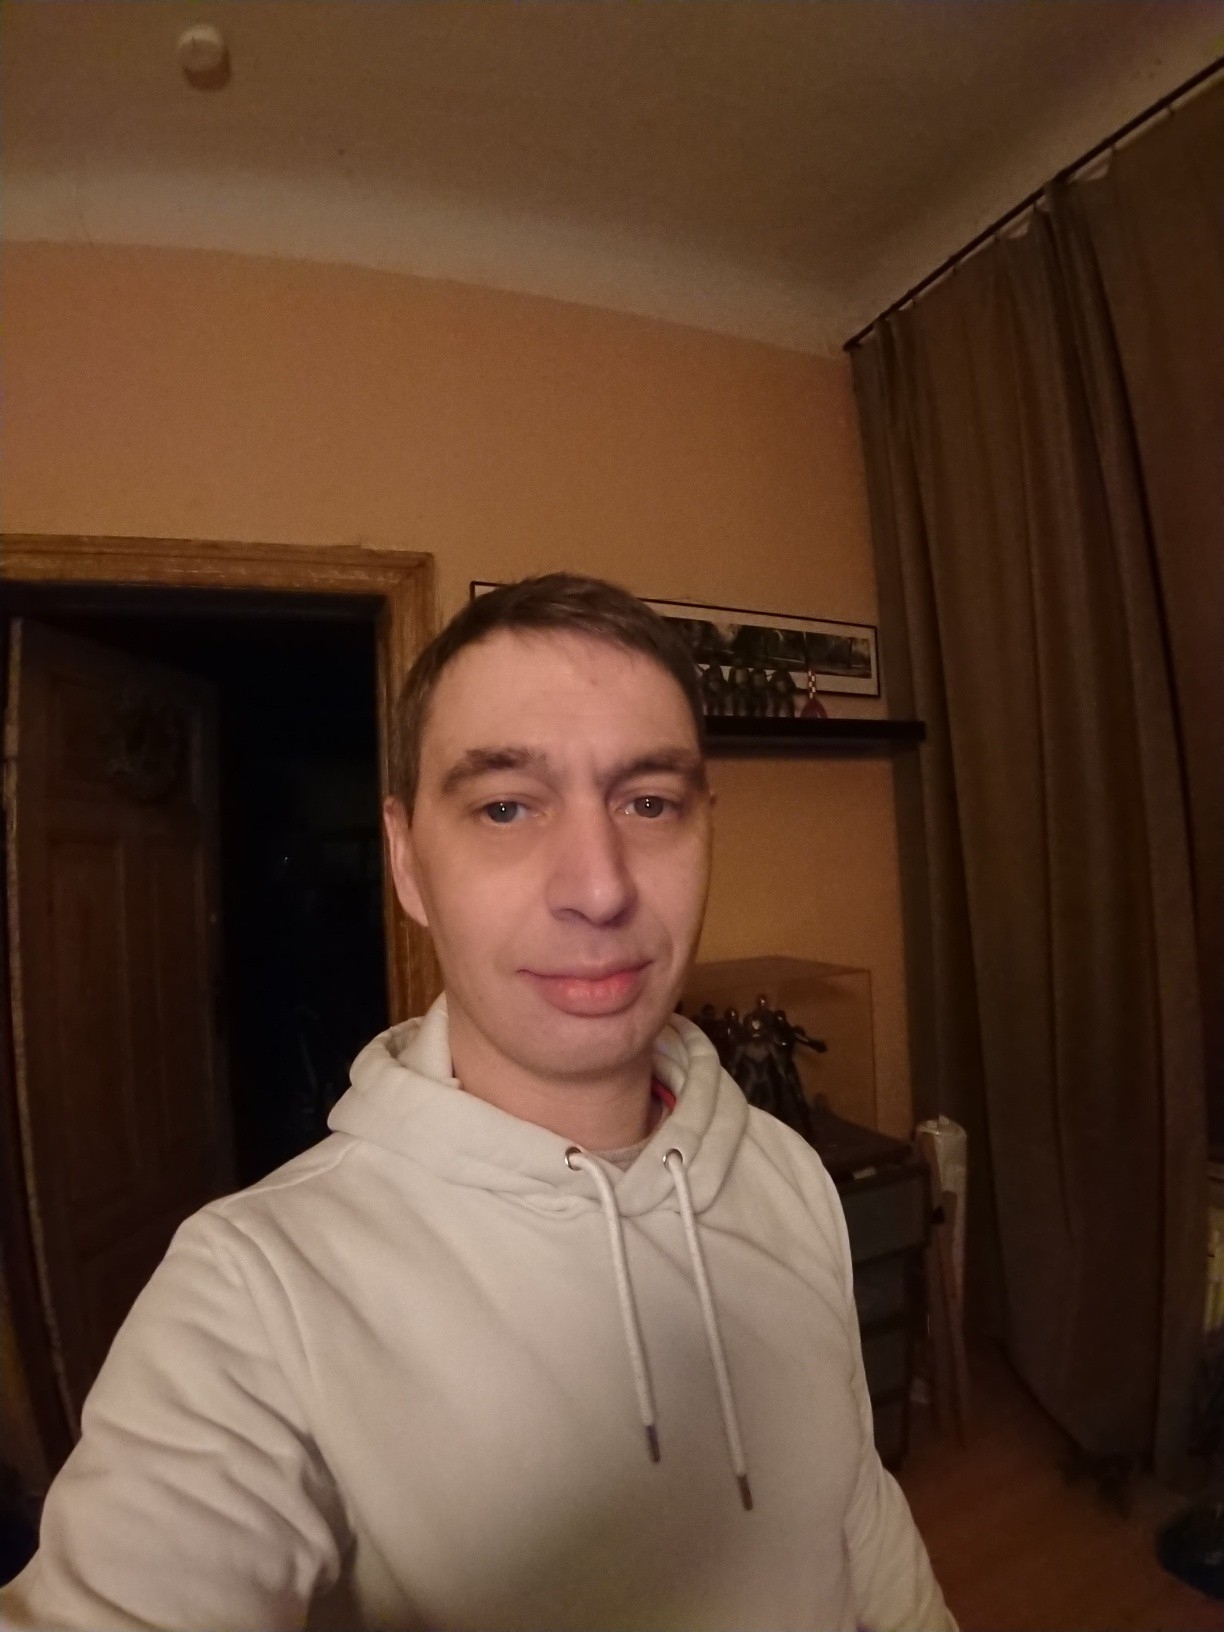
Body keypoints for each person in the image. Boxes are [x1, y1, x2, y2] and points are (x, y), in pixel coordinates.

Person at [0, 574, 953, 1631]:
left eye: (648, 802)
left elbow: (859, 1511)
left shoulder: (783, 1170)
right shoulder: (252, 1295)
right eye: (506, 807)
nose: (600, 887)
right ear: (408, 860)